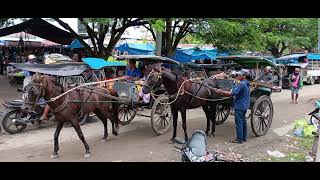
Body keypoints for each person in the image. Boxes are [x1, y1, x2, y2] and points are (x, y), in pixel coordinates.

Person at [215, 69, 250, 144]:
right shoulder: (246, 83)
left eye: (240, 75)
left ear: (244, 76)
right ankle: (244, 138)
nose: (238, 76)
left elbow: (233, 93)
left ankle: (239, 139)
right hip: (244, 106)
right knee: (243, 121)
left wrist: (221, 92)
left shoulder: (241, 84)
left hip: (239, 106)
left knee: (239, 123)